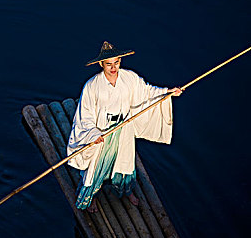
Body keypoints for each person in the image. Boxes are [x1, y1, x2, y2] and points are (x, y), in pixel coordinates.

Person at [66, 41, 182, 213]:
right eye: (109, 64)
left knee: (125, 163)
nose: (113, 68)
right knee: (98, 166)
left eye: (116, 63)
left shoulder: (129, 77)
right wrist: (93, 135)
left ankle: (126, 191)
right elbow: (85, 116)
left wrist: (167, 92)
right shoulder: (92, 86)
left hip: (124, 127)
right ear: (101, 64)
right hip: (103, 131)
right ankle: (91, 198)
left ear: (120, 61)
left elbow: (147, 92)